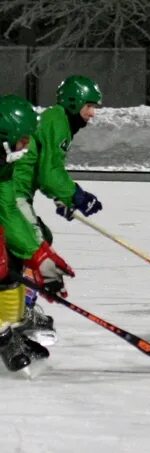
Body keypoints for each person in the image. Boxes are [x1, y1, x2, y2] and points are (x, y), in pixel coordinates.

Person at [12, 75, 103, 345]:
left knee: (41, 238)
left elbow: (43, 171)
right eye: (90, 106)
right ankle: (21, 312)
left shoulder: (55, 120)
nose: (92, 114)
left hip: (18, 191)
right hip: (12, 192)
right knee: (34, 244)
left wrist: (62, 198)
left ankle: (21, 306)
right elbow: (51, 173)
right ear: (74, 102)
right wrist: (76, 195)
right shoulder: (58, 120)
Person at [0, 95, 75, 373]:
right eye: (23, 140)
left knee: (11, 259)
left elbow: (7, 211)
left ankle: (12, 325)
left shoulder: (4, 163)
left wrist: (39, 257)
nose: (28, 146)